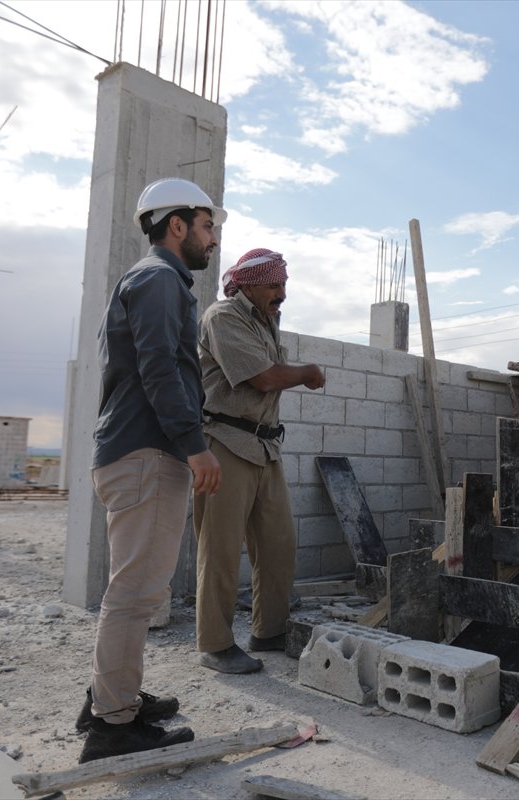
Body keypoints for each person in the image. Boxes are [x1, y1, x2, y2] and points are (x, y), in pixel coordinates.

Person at [76, 177, 224, 763]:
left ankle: (112, 697)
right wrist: (195, 445)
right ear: (178, 224)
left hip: (132, 451)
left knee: (133, 591)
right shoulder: (161, 280)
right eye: (208, 226)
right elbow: (161, 367)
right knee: (135, 595)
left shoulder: (150, 281)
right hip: (147, 454)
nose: (213, 239)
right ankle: (112, 727)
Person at [193, 247, 325, 674]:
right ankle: (215, 644)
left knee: (278, 543)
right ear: (246, 283)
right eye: (273, 284)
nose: (281, 293)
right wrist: (306, 372)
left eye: (284, 284)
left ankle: (268, 631)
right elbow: (264, 377)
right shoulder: (224, 317)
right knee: (221, 548)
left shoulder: (264, 321)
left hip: (265, 447)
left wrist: (292, 369)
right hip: (227, 442)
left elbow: (270, 371)